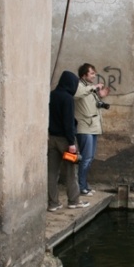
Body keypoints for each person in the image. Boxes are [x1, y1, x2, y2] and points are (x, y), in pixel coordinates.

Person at [48, 70, 90, 211]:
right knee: (72, 171)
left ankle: (53, 203)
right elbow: (68, 122)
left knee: (52, 172)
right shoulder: (67, 98)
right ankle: (74, 201)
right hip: (66, 140)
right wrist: (72, 143)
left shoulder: (52, 95)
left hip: (51, 138)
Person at [74, 63, 110, 196]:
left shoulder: (89, 88)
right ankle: (81, 186)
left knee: (90, 157)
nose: (94, 76)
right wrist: (94, 87)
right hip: (84, 127)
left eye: (95, 73)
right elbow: (77, 94)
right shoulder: (79, 85)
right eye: (92, 73)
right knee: (86, 158)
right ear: (84, 75)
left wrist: (100, 97)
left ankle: (84, 185)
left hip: (94, 126)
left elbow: (91, 104)